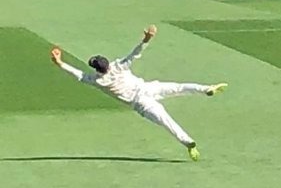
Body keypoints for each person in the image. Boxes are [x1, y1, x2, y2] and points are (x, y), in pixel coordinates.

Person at [49, 25, 227, 161]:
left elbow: (78, 75)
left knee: (166, 121)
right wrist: (147, 38)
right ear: (107, 63)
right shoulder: (118, 66)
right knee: (178, 87)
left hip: (141, 102)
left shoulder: (97, 81)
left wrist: (59, 63)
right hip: (147, 88)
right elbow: (135, 54)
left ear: (96, 68)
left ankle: (189, 143)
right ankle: (206, 89)